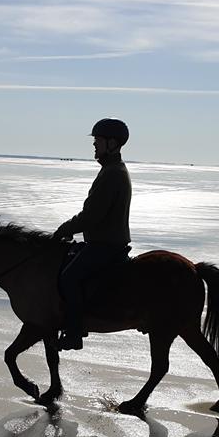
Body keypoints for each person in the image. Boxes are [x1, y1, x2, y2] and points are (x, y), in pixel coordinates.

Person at [52, 118, 133, 350]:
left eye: (98, 140)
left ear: (112, 143)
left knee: (69, 278)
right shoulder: (112, 169)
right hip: (103, 242)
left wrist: (63, 230)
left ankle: (74, 333)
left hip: (105, 245)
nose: (94, 145)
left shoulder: (112, 173)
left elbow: (91, 216)